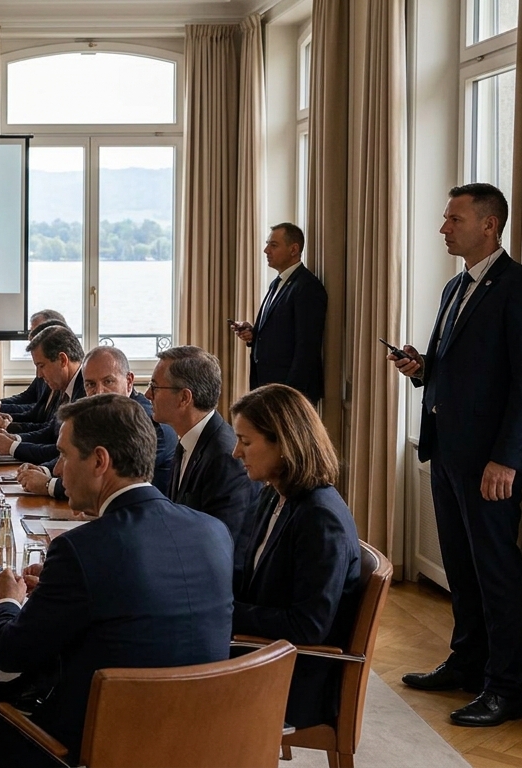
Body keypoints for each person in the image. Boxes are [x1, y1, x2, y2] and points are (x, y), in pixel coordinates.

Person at [0, 394, 234, 767]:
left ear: (100, 461)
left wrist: (6, 601)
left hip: (103, 746)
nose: (59, 470)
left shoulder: (81, 549)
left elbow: (10, 653)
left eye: (65, 455)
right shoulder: (213, 532)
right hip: (203, 738)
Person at [392, 183, 522, 727]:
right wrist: (421, 369)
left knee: (496, 573)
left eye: (453, 219)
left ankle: (504, 689)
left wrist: (507, 459)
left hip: (492, 463)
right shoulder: (453, 288)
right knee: (461, 568)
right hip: (448, 452)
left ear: (489, 225)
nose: (443, 228)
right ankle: (466, 662)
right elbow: (455, 367)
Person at [230, 383, 361, 730]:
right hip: (264, 656)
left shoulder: (320, 517)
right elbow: (247, 576)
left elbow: (308, 626)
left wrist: (226, 611)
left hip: (297, 677)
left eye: (245, 442)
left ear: (284, 444)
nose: (235, 453)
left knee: (164, 688)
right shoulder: (273, 495)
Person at [13, 345, 176, 502]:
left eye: (108, 382)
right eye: (90, 384)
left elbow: (107, 481)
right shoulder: (101, 417)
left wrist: (48, 484)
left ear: (129, 381)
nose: (98, 392)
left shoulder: (146, 423)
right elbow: (80, 456)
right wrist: (45, 469)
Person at [146, 345, 261, 560]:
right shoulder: (187, 440)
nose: (147, 394)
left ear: (184, 398)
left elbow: (222, 546)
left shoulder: (226, 458)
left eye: (155, 386)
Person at [230, 223, 327, 403]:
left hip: (288, 394)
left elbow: (306, 347)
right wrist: (254, 333)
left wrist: (289, 395)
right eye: (267, 244)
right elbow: (281, 332)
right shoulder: (277, 283)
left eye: (273, 245)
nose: (266, 250)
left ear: (294, 249)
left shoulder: (307, 287)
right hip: (268, 388)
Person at [0, 326, 85, 464]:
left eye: (41, 366)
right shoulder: (65, 384)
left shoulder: (85, 392)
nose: (39, 375)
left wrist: (13, 447)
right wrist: (14, 438)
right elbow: (49, 433)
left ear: (63, 360)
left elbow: (64, 452)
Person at [0, 309, 63, 417]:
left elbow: (38, 410)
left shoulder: (56, 368)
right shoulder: (43, 365)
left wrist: (1, 408)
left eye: (37, 333)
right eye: (31, 332)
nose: (30, 338)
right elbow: (28, 397)